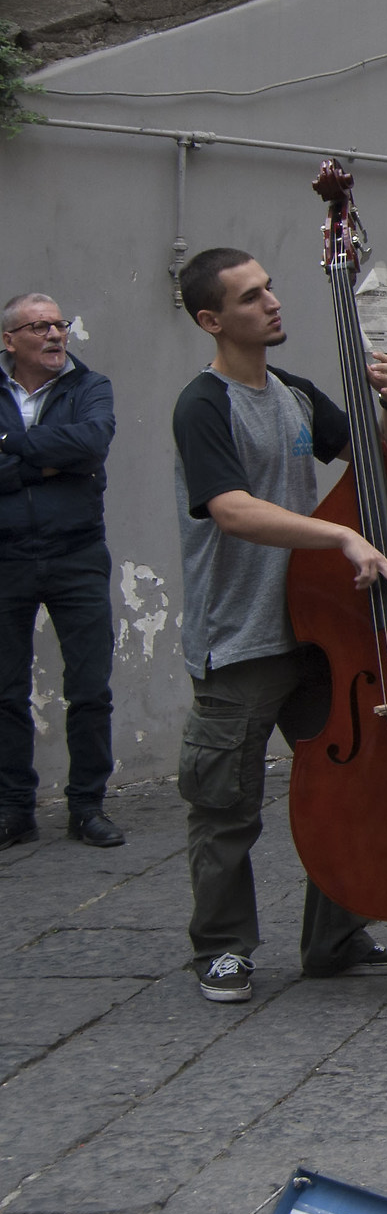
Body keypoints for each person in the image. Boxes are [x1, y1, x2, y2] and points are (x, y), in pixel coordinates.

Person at [170, 247, 387, 1003]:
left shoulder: (292, 392)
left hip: (316, 634)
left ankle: (335, 938)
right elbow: (230, 508)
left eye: (270, 288)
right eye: (251, 297)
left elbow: (380, 469)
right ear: (212, 320)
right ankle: (221, 948)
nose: (272, 302)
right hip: (239, 637)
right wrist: (340, 537)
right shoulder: (203, 404)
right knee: (225, 804)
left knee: (353, 782)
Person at [0, 293, 120, 848]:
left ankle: (87, 806)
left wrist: (13, 450)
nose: (55, 335)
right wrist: (51, 463)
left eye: (60, 324)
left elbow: (93, 441)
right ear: (10, 340)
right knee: (5, 692)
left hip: (77, 555)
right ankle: (15, 809)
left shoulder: (89, 387)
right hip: (6, 557)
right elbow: (73, 455)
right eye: (39, 326)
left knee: (90, 688)